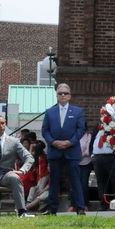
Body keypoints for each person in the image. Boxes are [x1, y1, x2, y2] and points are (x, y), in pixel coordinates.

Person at [41, 84, 87, 215]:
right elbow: (45, 130)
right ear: (56, 96)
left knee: (75, 180)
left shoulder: (77, 111)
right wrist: (53, 142)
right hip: (55, 151)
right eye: (60, 93)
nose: (62, 95)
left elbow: (81, 129)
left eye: (65, 93)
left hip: (71, 151)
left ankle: (80, 207)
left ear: (70, 96)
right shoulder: (50, 112)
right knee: (54, 181)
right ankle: (52, 208)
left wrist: (70, 142)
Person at [92, 125, 115, 211]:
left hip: (113, 157)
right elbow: (92, 141)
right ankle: (103, 204)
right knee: (101, 183)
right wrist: (92, 155)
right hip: (98, 158)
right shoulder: (97, 128)